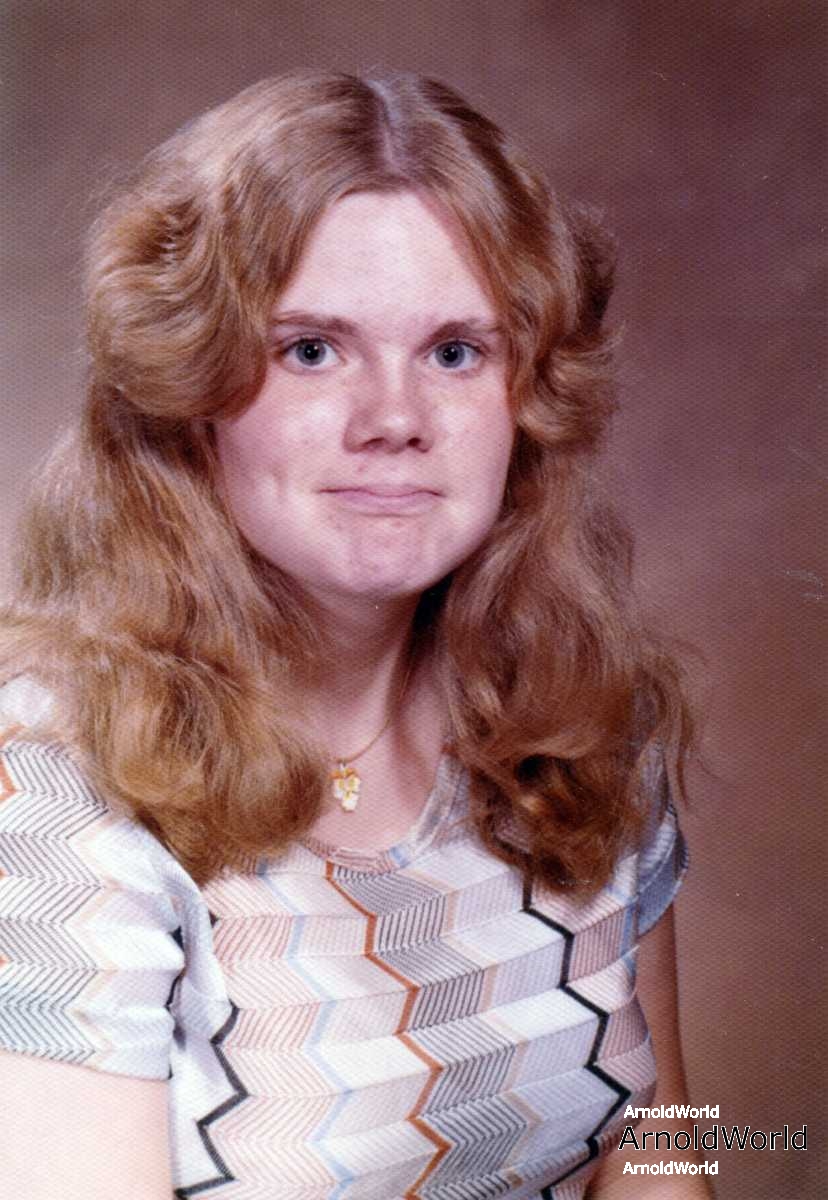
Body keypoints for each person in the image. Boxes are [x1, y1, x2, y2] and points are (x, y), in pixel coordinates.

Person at [0, 71, 710, 1198]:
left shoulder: (584, 715)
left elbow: (667, 1135)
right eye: (312, 350)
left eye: (455, 351)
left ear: (527, 395)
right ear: (189, 389)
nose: (394, 419)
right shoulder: (45, 788)